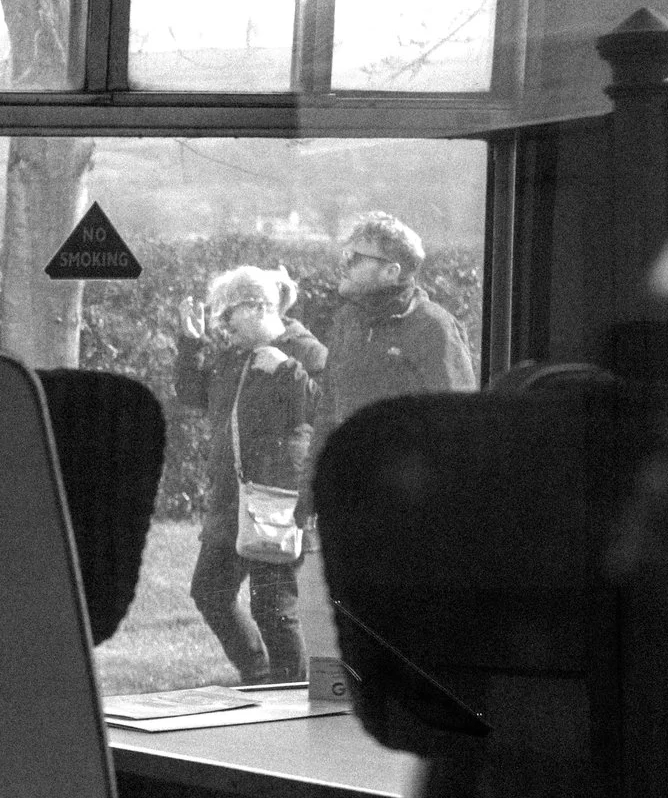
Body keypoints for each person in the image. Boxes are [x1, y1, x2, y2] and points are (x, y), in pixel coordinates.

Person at [175, 265, 326, 685]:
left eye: (228, 314)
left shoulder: (303, 350)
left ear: (260, 308)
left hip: (275, 501)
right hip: (231, 499)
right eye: (218, 317)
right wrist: (190, 344)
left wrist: (285, 367)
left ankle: (291, 694)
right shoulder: (235, 355)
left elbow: (323, 410)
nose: (221, 325)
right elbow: (194, 396)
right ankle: (260, 676)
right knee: (210, 592)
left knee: (273, 609)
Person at [318, 211, 475, 439]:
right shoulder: (347, 320)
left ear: (391, 272)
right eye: (344, 255)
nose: (344, 264)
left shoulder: (433, 326)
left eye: (354, 257)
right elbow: (327, 413)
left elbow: (459, 422)